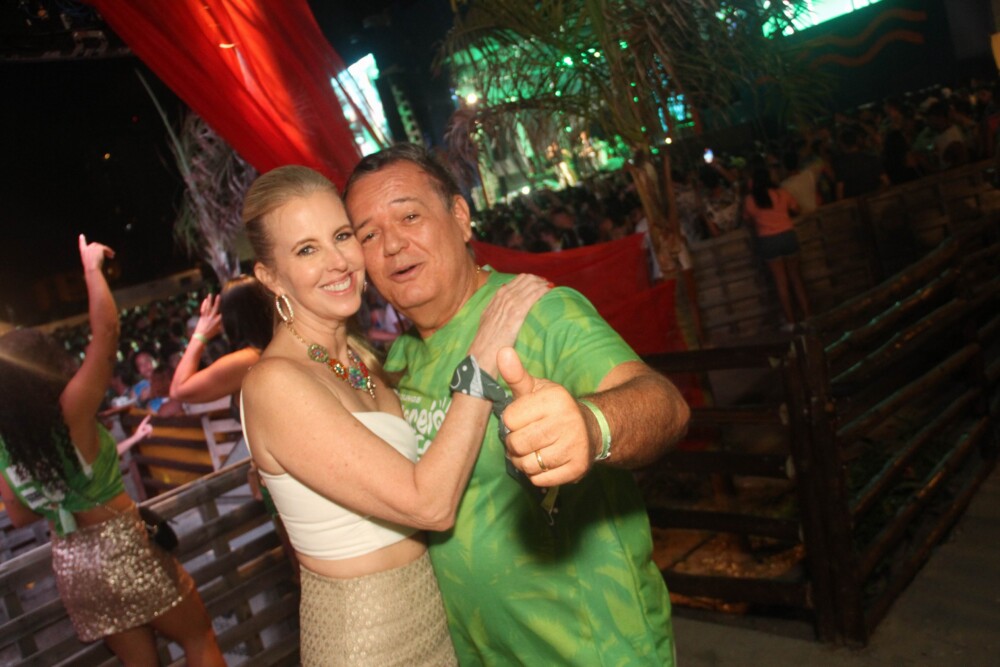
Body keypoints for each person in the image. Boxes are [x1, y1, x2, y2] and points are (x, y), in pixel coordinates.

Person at [344, 143, 691, 665]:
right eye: (368, 235)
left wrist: (591, 426)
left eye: (409, 216)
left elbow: (665, 405)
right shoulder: (401, 360)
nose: (392, 244)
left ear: (461, 217)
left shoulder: (537, 311)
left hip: (593, 651)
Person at [238, 165, 550, 665]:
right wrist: (483, 354)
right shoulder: (274, 382)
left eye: (342, 236)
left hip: (434, 616)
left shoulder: (367, 362)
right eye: (306, 250)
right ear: (270, 276)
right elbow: (428, 504)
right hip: (363, 638)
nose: (338, 262)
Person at [0, 235, 224, 666]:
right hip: (121, 543)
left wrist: (58, 493)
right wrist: (91, 269)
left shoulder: (9, 447)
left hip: (73, 565)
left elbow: (22, 516)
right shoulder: (70, 413)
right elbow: (106, 333)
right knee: (198, 638)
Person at [169, 274, 272, 410]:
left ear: (230, 317)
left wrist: (200, 334)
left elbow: (178, 390)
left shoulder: (246, 360)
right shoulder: (272, 346)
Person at [743, 166, 811, 330]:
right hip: (787, 236)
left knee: (781, 283)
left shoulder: (751, 200)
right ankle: (808, 316)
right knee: (796, 279)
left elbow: (747, 220)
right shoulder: (781, 193)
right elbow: (796, 209)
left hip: (768, 241)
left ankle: (791, 322)